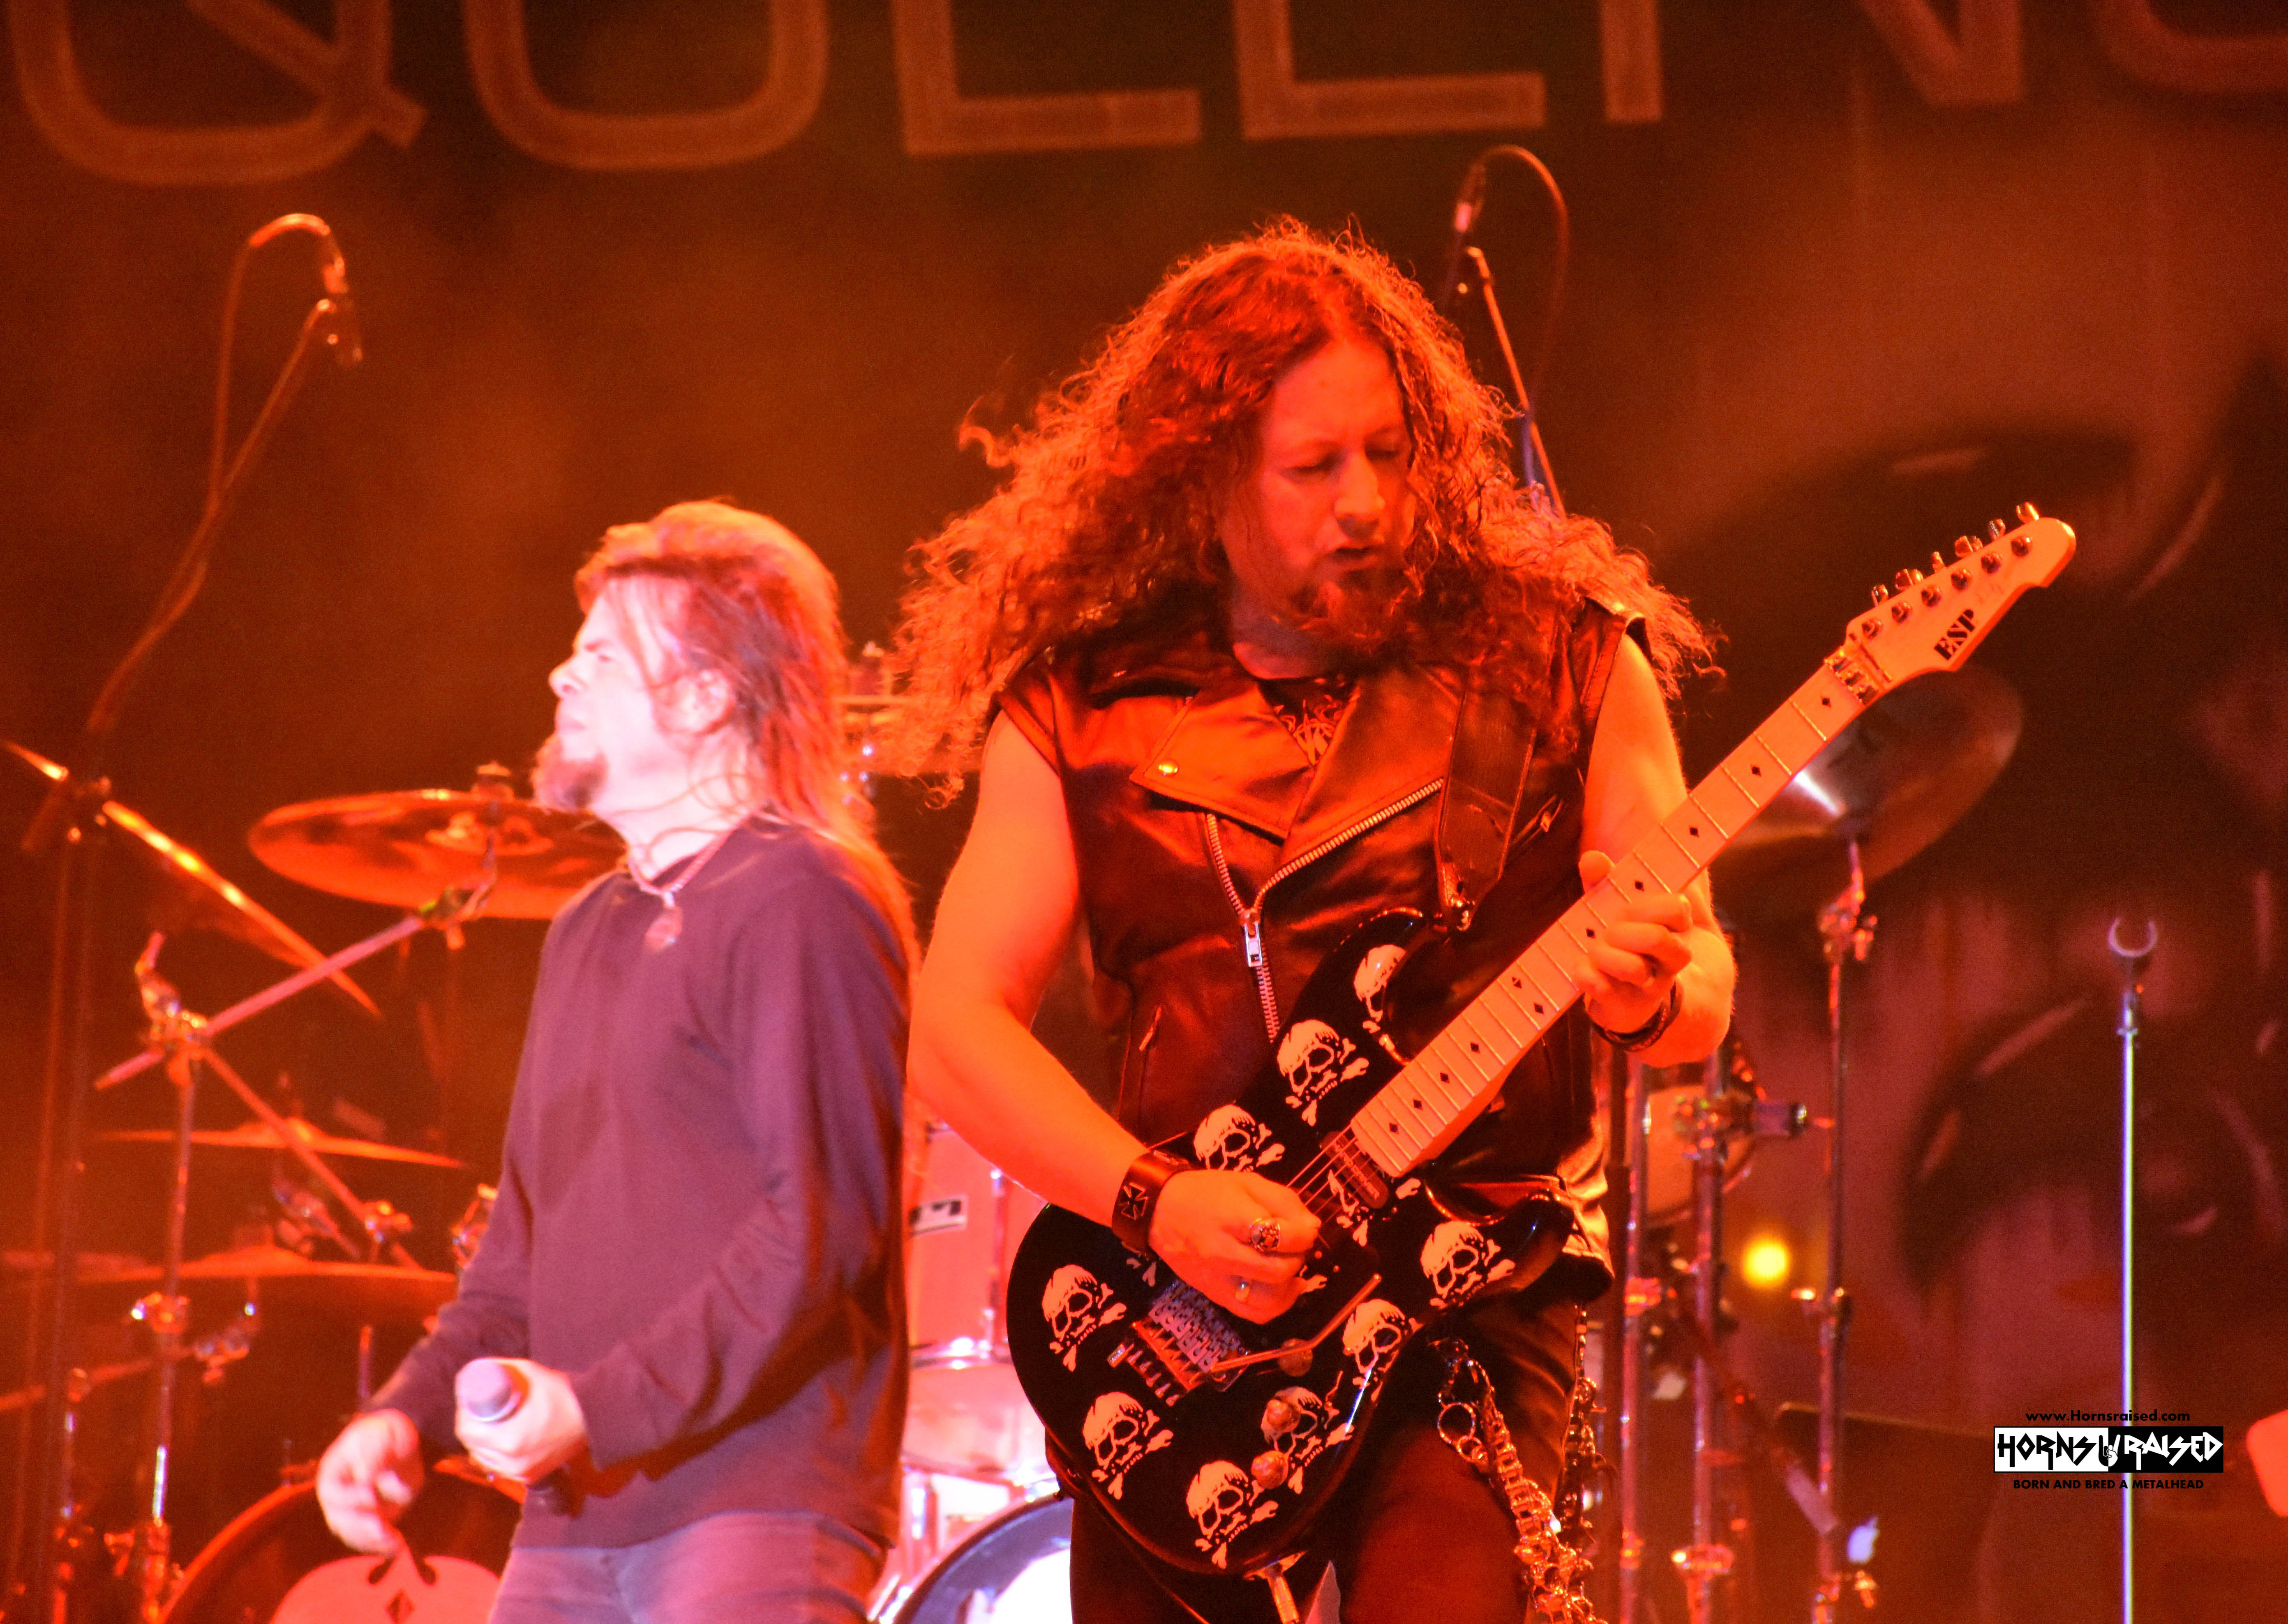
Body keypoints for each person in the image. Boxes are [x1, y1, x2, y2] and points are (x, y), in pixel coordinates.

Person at [891, 222, 1734, 1622]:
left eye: (1392, 455)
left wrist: (1652, 995)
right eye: (1315, 467)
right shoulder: (1082, 708)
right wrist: (1154, 1203)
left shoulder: (1565, 659)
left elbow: (1697, 984)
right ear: (1208, 473)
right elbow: (953, 1028)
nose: (1367, 503)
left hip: (1469, 1296)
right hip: (1183, 1334)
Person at [314, 502, 913, 1624]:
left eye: (601, 656)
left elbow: (817, 1228)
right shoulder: (587, 928)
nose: (561, 675)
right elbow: (517, 1258)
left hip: (754, 1505)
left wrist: (597, 1407)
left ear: (705, 696)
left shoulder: (802, 895)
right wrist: (407, 1413)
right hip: (575, 1523)